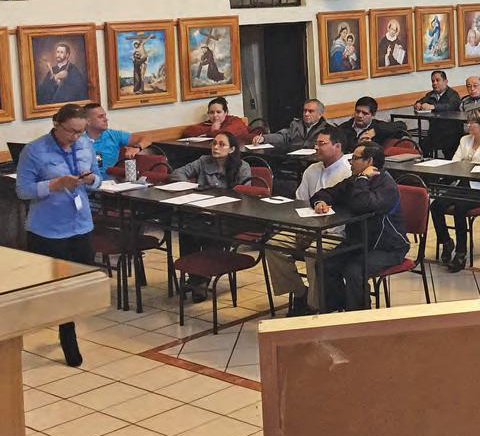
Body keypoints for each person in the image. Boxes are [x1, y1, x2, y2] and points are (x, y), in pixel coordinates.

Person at [16, 103, 101, 367]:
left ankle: (66, 321)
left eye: (80, 131)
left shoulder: (84, 145)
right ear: (56, 124)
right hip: (49, 230)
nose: (75, 137)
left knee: (78, 284)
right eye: (71, 131)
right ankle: (68, 336)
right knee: (59, 287)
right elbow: (23, 190)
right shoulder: (35, 151)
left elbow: (98, 178)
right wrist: (53, 184)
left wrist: (90, 180)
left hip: (81, 224)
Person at [262, 126, 352, 315]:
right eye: (316, 143)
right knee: (273, 245)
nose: (316, 147)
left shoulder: (348, 172)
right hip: (306, 226)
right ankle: (300, 293)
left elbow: (347, 212)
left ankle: (315, 306)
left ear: (337, 146)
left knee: (313, 252)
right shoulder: (312, 170)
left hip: (334, 231)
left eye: (322, 144)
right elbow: (300, 201)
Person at [310, 142, 408, 312]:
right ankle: (336, 310)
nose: (350, 162)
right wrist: (320, 202)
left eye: (354, 158)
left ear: (369, 162)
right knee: (325, 264)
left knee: (354, 271)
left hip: (387, 247)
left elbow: (363, 204)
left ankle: (358, 317)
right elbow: (327, 193)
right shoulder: (354, 180)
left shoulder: (387, 186)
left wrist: (363, 179)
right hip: (358, 243)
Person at [170, 131, 252, 300]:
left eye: (221, 144)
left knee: (208, 232)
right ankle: (196, 276)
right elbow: (177, 173)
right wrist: (194, 189)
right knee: (186, 230)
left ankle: (201, 279)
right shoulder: (203, 161)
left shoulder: (242, 167)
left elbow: (245, 195)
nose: (215, 147)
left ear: (231, 149)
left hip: (230, 217)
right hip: (204, 213)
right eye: (214, 143)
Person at [431, 109, 480, 273]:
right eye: (468, 122)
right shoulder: (464, 140)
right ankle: (446, 242)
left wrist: (465, 164)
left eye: (473, 123)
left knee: (460, 208)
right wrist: (465, 165)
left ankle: (461, 252)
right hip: (462, 183)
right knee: (435, 205)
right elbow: (454, 163)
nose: (468, 125)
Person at [82, 103, 151, 178]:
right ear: (88, 121)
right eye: (100, 117)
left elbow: (147, 139)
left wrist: (137, 147)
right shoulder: (78, 140)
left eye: (105, 115)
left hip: (113, 181)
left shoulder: (113, 135)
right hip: (88, 181)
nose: (106, 119)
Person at [414, 71, 462, 157]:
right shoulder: (431, 94)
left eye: (437, 80)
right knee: (422, 145)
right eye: (433, 81)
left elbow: (450, 106)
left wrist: (433, 107)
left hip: (451, 132)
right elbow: (422, 100)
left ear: (445, 81)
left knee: (449, 149)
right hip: (435, 132)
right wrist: (418, 104)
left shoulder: (453, 94)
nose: (434, 83)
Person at [253, 98, 333, 150]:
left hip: (314, 162)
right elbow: (282, 136)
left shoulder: (327, 129)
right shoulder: (296, 124)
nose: (306, 114)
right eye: (305, 111)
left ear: (320, 114)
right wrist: (264, 138)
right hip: (294, 160)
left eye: (310, 111)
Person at [181, 96, 252, 143]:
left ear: (225, 113)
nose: (215, 115)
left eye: (218, 112)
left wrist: (213, 132)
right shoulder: (209, 124)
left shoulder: (235, 121)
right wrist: (210, 129)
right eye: (211, 112)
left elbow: (227, 134)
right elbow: (187, 132)